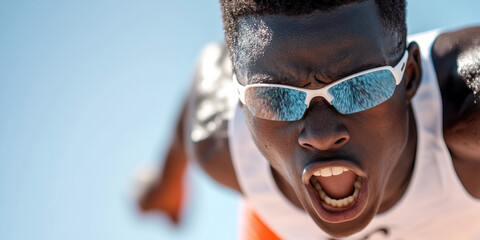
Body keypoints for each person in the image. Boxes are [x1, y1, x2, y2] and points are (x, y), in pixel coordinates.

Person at [137, 0, 480, 239]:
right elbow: (204, 80)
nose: (320, 135)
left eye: (358, 86)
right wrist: (167, 184)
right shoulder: (217, 139)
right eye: (276, 97)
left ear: (410, 77)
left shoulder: (468, 112)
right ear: (240, 102)